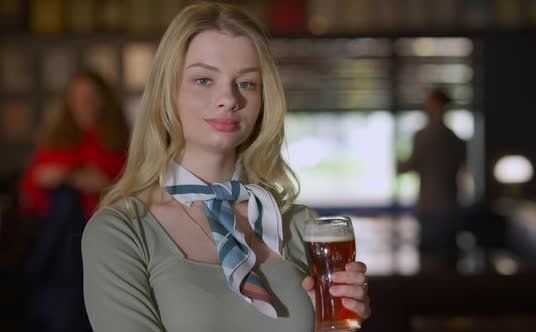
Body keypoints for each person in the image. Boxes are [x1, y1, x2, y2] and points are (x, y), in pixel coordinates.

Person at [81, 2, 371, 332]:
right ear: (167, 91)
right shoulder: (121, 232)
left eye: (247, 83)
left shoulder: (301, 226)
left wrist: (339, 324)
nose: (229, 98)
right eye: (204, 79)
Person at [19, 69, 129, 332]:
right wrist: (71, 175)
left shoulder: (119, 143)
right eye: (77, 97)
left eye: (90, 96)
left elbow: (135, 189)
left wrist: (104, 184)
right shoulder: (54, 141)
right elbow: (30, 191)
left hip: (103, 232)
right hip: (62, 240)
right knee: (66, 202)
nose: (84, 103)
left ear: (104, 100)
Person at [398, 88, 467, 270]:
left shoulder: (423, 136)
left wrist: (398, 164)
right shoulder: (457, 138)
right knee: (451, 261)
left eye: (428, 102)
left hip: (430, 206)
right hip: (452, 205)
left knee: (430, 263)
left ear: (436, 105)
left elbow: (410, 166)